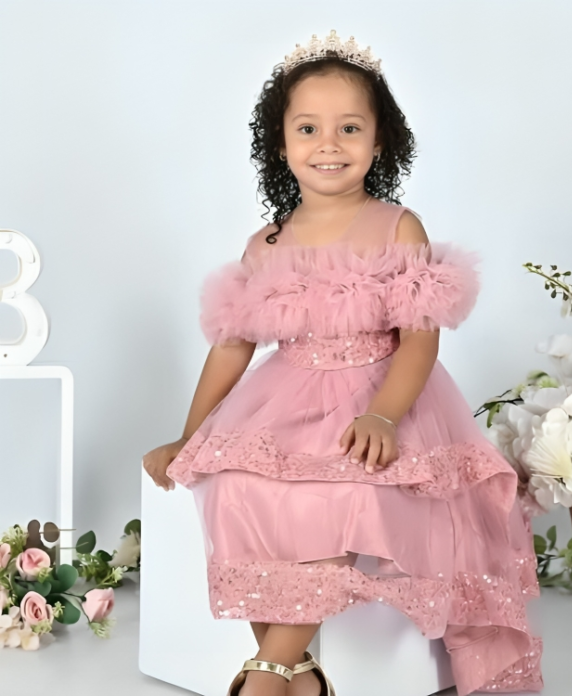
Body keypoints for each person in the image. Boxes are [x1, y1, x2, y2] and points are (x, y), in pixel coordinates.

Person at [143, 29, 543, 696]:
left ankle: (270, 668)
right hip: (287, 397)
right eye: (308, 129)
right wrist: (191, 435)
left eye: (349, 128)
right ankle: (298, 671)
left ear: (379, 141)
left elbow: (419, 340)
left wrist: (384, 415)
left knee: (350, 490)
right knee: (234, 485)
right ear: (280, 145)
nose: (328, 144)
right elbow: (233, 345)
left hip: (381, 393)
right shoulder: (267, 244)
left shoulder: (396, 226)